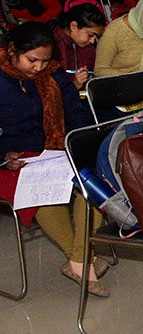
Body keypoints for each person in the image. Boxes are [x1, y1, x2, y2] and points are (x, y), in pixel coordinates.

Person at [0, 23, 106, 295]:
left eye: (45, 61)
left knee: (92, 189)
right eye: (32, 60)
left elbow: (77, 115)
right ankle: (86, 263)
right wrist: (4, 155)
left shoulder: (54, 76)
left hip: (55, 153)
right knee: (41, 196)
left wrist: (75, 145)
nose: (38, 68)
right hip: (14, 161)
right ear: (12, 51)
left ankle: (79, 262)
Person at [52, 0, 107, 91]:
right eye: (91, 35)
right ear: (73, 26)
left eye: (96, 37)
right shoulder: (52, 44)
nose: (92, 41)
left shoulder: (86, 46)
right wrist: (74, 85)